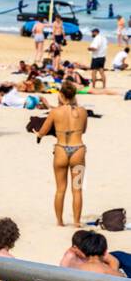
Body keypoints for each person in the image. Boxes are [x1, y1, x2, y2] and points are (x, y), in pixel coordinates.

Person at [35, 82, 87, 228]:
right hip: (78, 150)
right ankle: (76, 222)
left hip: (61, 150)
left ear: (61, 95)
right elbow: (83, 130)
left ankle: (60, 221)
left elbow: (43, 131)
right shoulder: (83, 111)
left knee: (60, 189)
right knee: (77, 189)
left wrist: (38, 134)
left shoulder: (55, 112)